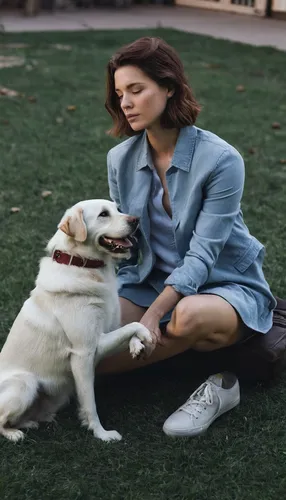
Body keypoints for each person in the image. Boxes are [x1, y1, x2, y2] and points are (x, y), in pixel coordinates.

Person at [97, 36, 276, 437]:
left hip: (223, 286)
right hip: (150, 281)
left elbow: (203, 255)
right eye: (120, 92)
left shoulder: (222, 160)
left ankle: (69, 378)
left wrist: (152, 316)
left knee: (187, 315)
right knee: (89, 327)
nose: (125, 103)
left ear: (169, 87)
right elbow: (127, 244)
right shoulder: (119, 159)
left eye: (136, 90)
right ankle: (64, 371)